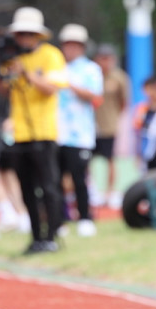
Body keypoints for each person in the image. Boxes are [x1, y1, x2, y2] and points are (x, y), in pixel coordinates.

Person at [0, 6, 68, 254]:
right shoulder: (11, 58)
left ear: (37, 35)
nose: (23, 38)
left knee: (49, 185)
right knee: (26, 187)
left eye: (28, 33)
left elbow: (51, 88)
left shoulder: (51, 54)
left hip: (44, 131)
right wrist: (0, 78)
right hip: (20, 132)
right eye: (20, 33)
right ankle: (36, 237)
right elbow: (5, 90)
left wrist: (27, 73)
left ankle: (52, 235)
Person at [56, 24, 103, 236]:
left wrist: (70, 85)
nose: (71, 49)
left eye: (75, 45)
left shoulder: (90, 69)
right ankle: (59, 220)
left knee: (78, 178)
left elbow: (94, 96)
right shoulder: (56, 67)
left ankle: (84, 217)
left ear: (82, 47)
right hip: (56, 133)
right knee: (55, 180)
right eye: (67, 45)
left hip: (80, 135)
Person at [93, 44, 129, 208]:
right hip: (90, 126)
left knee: (110, 159)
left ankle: (110, 191)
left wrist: (114, 118)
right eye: (102, 58)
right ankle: (92, 190)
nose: (105, 62)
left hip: (109, 125)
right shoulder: (92, 75)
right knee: (86, 160)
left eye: (108, 58)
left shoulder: (119, 78)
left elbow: (124, 102)